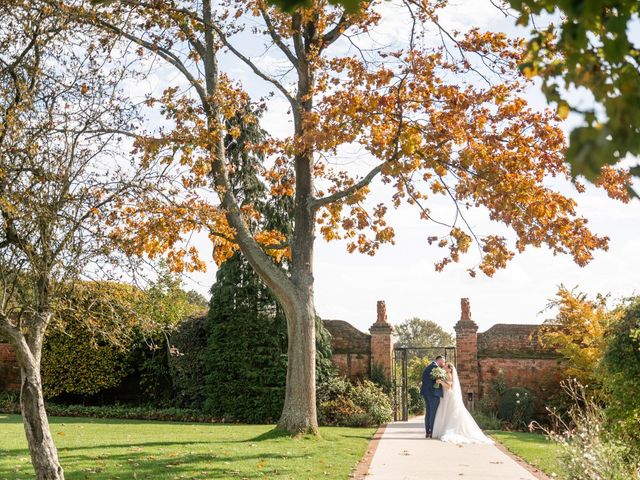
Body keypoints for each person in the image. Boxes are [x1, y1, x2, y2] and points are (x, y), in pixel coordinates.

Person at [431, 362, 494, 444]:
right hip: (446, 396)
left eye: (446, 367)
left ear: (450, 369)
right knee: (447, 413)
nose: (444, 368)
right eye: (445, 367)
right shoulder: (446, 375)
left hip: (449, 397)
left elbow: (448, 387)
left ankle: (450, 430)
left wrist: (440, 382)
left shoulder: (449, 375)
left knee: (450, 413)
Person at [420, 355, 445, 438]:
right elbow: (438, 381)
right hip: (433, 394)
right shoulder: (436, 368)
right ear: (440, 360)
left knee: (428, 413)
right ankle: (432, 432)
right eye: (443, 361)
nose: (443, 363)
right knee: (433, 413)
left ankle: (427, 432)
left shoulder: (428, 367)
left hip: (426, 393)